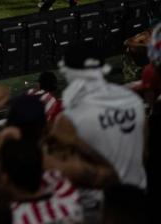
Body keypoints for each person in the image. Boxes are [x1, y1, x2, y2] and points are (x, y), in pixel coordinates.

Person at [56, 47, 147, 189]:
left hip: (100, 200)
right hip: (138, 191)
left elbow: (62, 169)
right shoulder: (132, 100)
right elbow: (144, 149)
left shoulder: (70, 117)